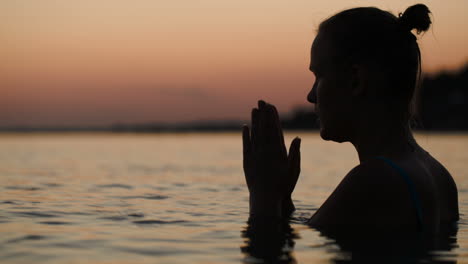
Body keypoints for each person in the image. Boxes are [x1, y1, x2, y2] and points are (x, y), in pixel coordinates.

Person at [242, 4, 459, 237]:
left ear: (356, 80)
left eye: (319, 76)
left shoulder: (375, 180)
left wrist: (262, 194)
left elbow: (268, 248)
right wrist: (282, 198)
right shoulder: (440, 177)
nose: (311, 95)